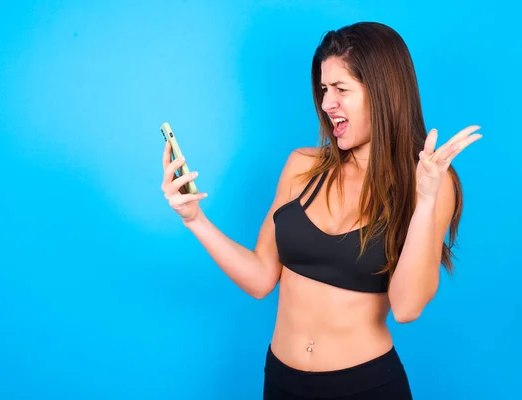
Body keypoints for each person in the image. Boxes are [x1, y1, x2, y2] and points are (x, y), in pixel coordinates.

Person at [160, 21, 481, 400]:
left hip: (366, 387)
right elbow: (262, 277)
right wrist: (195, 220)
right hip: (281, 382)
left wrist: (425, 201)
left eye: (341, 89)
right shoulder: (302, 167)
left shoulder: (430, 183)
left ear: (383, 93)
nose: (328, 103)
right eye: (325, 89)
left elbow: (407, 307)